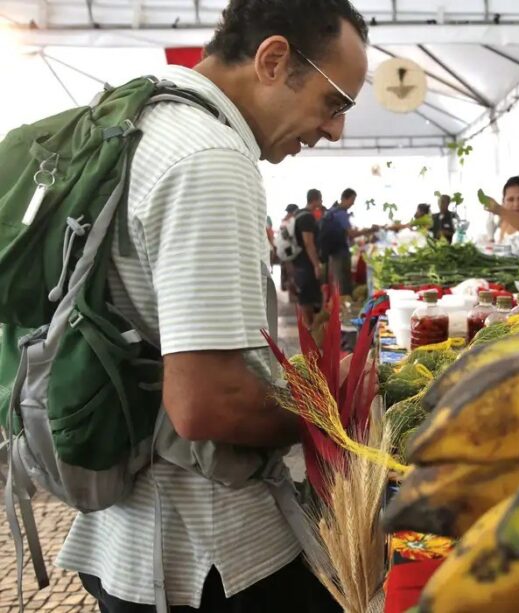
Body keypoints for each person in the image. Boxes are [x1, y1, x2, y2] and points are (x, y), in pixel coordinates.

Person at [56, 1, 369, 611]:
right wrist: (340, 423)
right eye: (335, 102)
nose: (335, 131)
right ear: (274, 60)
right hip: (203, 550)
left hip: (128, 526)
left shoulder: (133, 119)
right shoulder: (209, 157)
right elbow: (206, 404)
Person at [321, 187, 378, 299]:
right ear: (345, 199)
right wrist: (370, 230)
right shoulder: (341, 214)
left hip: (333, 252)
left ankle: (341, 305)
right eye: (352, 199)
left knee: (339, 280)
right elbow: (351, 234)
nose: (353, 203)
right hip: (340, 252)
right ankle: (343, 306)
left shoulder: (333, 211)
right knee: (342, 282)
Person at [294, 188, 326, 325]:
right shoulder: (307, 217)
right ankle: (309, 328)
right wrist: (316, 265)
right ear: (315, 200)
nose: (322, 202)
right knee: (307, 297)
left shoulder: (298, 214)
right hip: (306, 264)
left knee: (306, 296)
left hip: (300, 262)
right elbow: (308, 243)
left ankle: (309, 327)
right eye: (321, 199)